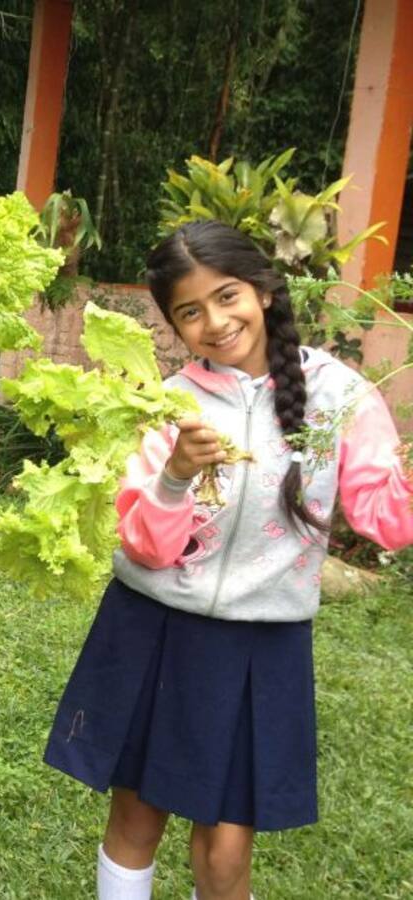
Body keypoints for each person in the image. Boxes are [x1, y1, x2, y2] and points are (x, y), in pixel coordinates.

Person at [43, 219, 413, 900]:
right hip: (154, 626)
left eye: (228, 296)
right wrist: (177, 473)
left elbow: (386, 522)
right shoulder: (164, 403)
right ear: (173, 325)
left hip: (262, 642)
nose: (214, 321)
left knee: (226, 844)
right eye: (190, 310)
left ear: (265, 290)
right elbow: (146, 545)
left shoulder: (338, 398)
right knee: (136, 814)